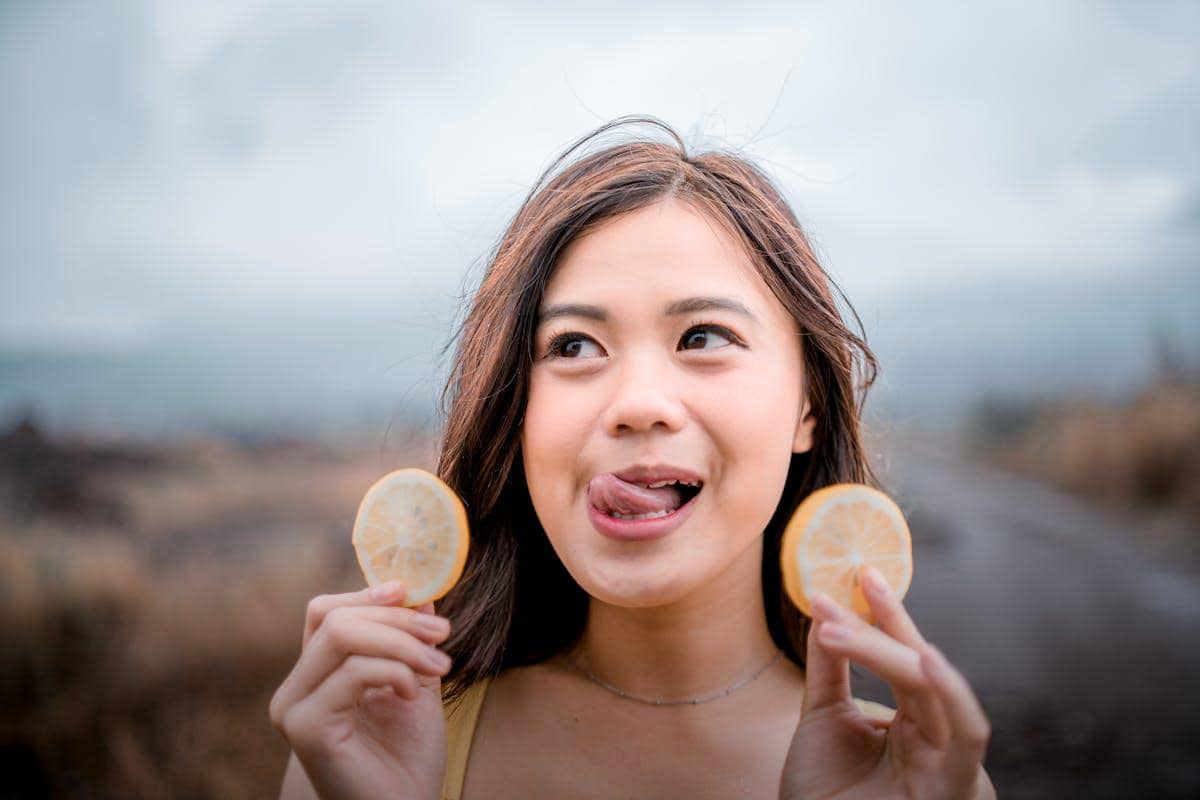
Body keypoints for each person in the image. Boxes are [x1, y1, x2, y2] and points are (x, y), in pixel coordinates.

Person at [269, 116, 996, 799]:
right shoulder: (364, 752)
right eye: (574, 347)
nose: (638, 402)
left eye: (703, 337)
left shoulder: (913, 774)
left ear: (807, 403)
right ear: (514, 408)